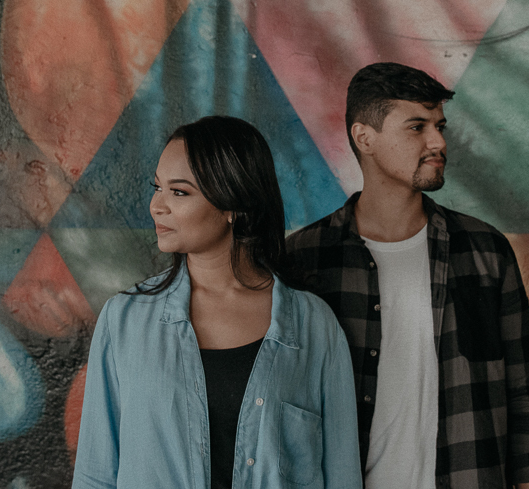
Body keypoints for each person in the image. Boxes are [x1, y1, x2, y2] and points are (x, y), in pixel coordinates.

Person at [285, 63, 529, 489]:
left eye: (440, 126)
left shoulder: (485, 251)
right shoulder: (304, 258)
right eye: (417, 127)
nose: (438, 142)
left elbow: (525, 391)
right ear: (364, 138)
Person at [72, 115, 362, 489]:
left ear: (233, 206)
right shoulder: (125, 319)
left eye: (179, 192)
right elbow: (95, 475)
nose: (156, 206)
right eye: (156, 187)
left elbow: (342, 476)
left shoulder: (313, 325)